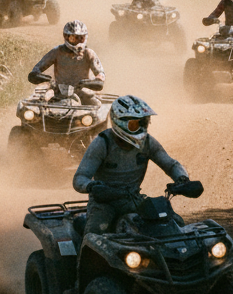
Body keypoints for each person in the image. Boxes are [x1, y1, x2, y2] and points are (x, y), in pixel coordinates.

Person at [73, 95, 192, 235]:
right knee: (96, 232)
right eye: (135, 124)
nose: (141, 128)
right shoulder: (102, 143)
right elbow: (80, 178)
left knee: (175, 224)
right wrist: (93, 186)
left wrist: (182, 180)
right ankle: (84, 257)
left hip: (133, 200)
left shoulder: (147, 143)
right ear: (120, 122)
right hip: (104, 203)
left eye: (143, 122)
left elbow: (171, 165)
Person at [28, 20, 105, 108]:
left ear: (85, 38)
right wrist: (36, 75)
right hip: (58, 92)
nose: (78, 42)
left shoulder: (89, 53)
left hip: (82, 92)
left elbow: (100, 74)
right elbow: (37, 68)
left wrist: (97, 81)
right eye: (73, 38)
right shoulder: (57, 51)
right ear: (66, 37)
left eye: (81, 38)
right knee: (35, 108)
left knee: (99, 109)